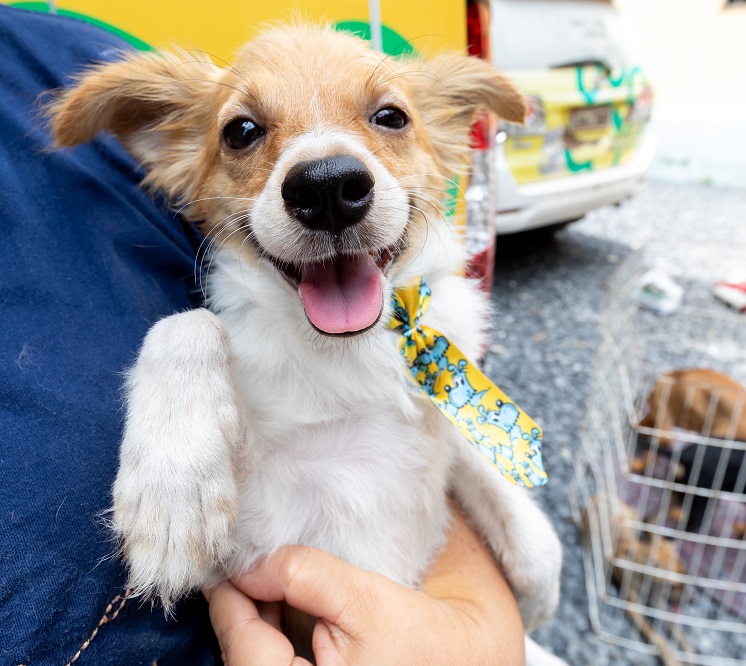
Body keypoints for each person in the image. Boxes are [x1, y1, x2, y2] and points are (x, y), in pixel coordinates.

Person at [0, 5, 524, 664]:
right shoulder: (234, 361)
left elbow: (463, 456)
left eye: (388, 118)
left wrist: (496, 616)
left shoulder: (438, 331)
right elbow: (224, 541)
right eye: (245, 133)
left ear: (444, 134)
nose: (327, 173)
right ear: (182, 155)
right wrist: (179, 356)